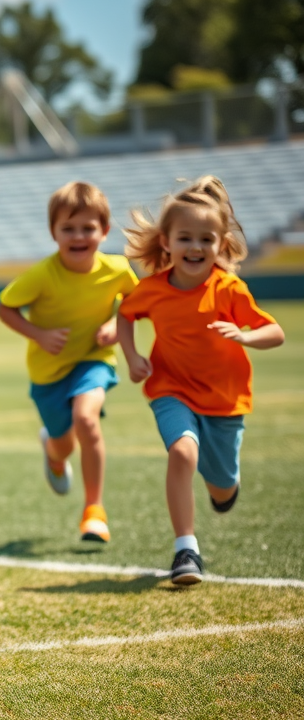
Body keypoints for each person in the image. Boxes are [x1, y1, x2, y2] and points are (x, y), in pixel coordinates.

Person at [118, 176, 284, 585]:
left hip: (225, 400)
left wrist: (245, 336)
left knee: (222, 487)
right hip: (170, 388)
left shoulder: (229, 289)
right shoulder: (153, 290)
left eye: (206, 239)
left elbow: (275, 332)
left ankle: (226, 487)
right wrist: (133, 356)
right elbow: (125, 314)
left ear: (221, 244)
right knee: (183, 453)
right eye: (186, 238)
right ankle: (185, 550)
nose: (196, 247)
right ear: (166, 242)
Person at [0, 182, 138, 544]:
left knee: (86, 419)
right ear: (53, 232)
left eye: (88, 228)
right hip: (48, 373)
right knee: (63, 443)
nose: (79, 236)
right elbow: (5, 307)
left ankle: (94, 511)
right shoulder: (42, 274)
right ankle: (54, 452)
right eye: (68, 228)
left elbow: (138, 305)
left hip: (94, 361)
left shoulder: (119, 270)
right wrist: (38, 334)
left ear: (104, 231)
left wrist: (113, 325)